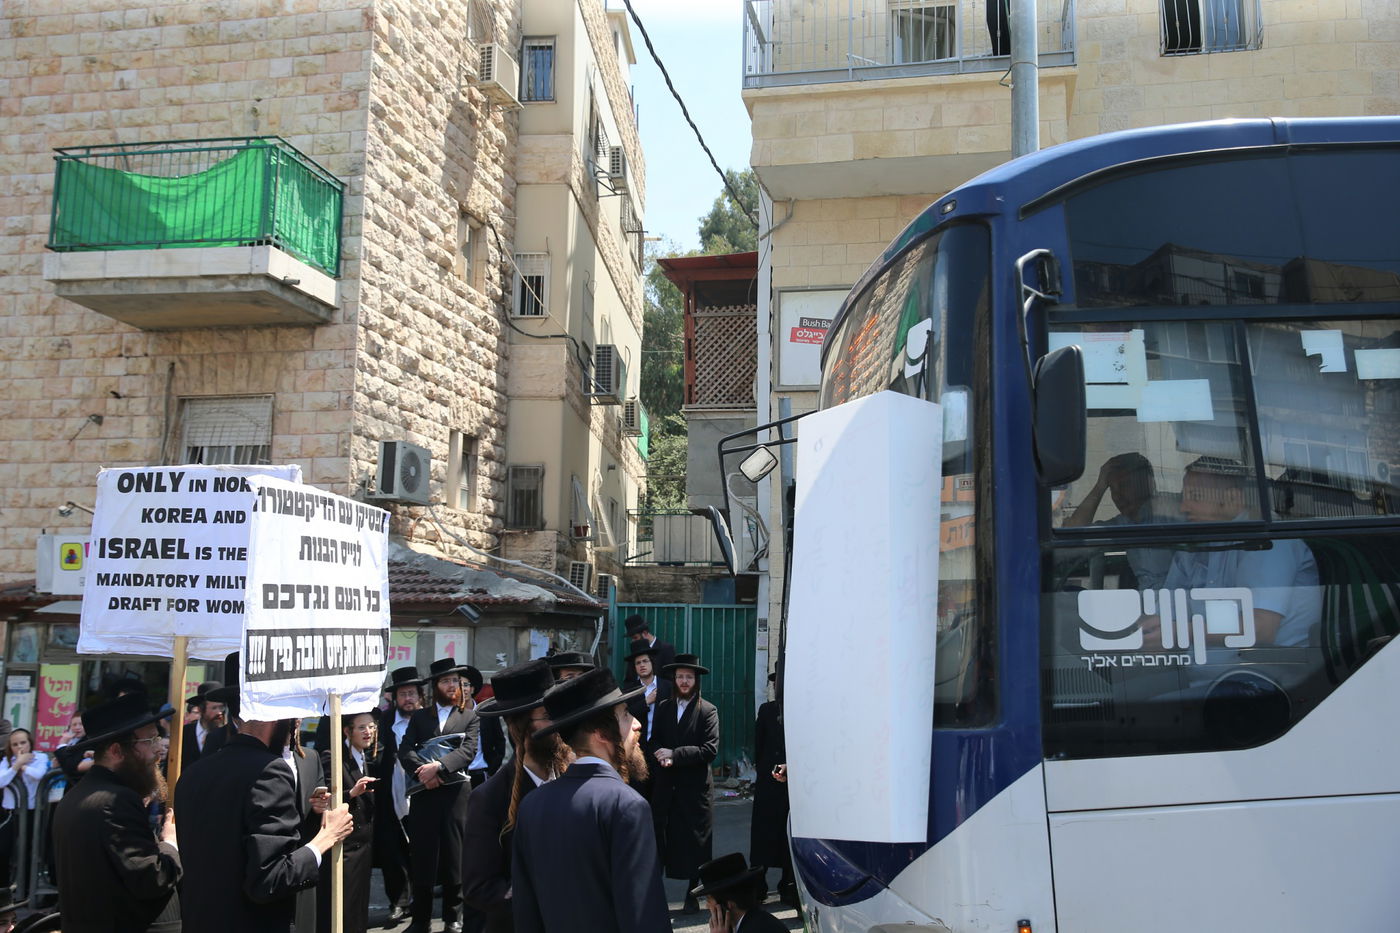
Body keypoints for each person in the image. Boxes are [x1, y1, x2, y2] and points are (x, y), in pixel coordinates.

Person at [175, 653, 353, 933]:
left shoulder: (192, 774)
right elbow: (271, 879)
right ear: (274, 715)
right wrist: (326, 838)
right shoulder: (270, 771)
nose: (294, 724)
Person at [510, 668, 668, 932]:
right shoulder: (626, 805)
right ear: (601, 733)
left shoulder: (532, 805)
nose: (637, 723)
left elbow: (526, 914)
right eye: (625, 715)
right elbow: (644, 915)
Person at [1147, 456, 1323, 648]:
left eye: (1195, 496)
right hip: (1206, 662)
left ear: (1232, 498)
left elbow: (1261, 629)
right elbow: (1165, 613)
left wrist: (1180, 632)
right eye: (1184, 498)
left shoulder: (1267, 541)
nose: (1183, 507)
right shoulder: (1198, 543)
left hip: (1268, 663)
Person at [51, 693, 181, 932]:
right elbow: (153, 879)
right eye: (150, 740)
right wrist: (170, 843)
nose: (158, 750)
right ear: (116, 751)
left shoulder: (80, 794)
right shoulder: (115, 801)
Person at [461, 659, 572, 933]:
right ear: (520, 727)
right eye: (548, 715)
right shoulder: (490, 798)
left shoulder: (574, 779)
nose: (560, 723)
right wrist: (535, 897)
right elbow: (480, 887)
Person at [398, 657, 482, 933]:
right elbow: (405, 749)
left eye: (455, 681)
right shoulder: (420, 716)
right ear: (435, 686)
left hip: (456, 795)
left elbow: (468, 751)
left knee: (454, 854)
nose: (452, 685)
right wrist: (424, 773)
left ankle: (452, 916)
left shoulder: (470, 716)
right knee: (423, 854)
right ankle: (420, 919)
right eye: (446, 681)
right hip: (424, 793)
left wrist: (439, 768)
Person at [650, 653, 720, 912]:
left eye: (689, 677)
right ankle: (654, 892)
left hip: (694, 788)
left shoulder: (708, 710)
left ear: (696, 680)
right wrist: (659, 754)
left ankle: (693, 892)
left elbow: (710, 750)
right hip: (666, 784)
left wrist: (675, 755)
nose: (684, 681)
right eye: (680, 676)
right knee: (661, 838)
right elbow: (654, 739)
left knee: (696, 842)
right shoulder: (664, 706)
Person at [1064, 452, 1175, 589]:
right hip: (1145, 599)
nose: (1118, 496)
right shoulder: (1123, 523)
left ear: (1147, 483)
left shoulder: (1173, 510)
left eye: (1124, 485)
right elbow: (1073, 533)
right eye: (1112, 489)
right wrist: (1100, 486)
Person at [315, 711, 379, 933]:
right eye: (361, 727)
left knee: (359, 907)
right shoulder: (332, 757)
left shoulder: (364, 756)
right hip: (344, 846)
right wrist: (351, 793)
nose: (368, 732)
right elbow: (325, 800)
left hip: (364, 844)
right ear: (347, 731)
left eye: (371, 726)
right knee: (341, 908)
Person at [374, 666, 423, 925]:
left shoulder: (428, 719)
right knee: (393, 850)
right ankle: (398, 901)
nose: (408, 699)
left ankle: (420, 900)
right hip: (390, 792)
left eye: (412, 693)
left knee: (422, 849)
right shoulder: (384, 721)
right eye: (403, 694)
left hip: (423, 790)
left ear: (420, 696)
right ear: (394, 698)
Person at [749, 669, 794, 906]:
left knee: (787, 834)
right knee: (762, 835)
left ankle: (788, 884)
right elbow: (759, 744)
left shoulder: (800, 709)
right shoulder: (766, 710)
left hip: (792, 783)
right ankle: (759, 883)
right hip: (768, 781)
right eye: (776, 682)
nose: (778, 686)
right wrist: (764, 770)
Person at [0, 729, 49, 888]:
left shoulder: (40, 757)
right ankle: (4, 888)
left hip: (32, 812)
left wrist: (24, 767)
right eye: (15, 744)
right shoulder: (7, 761)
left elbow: (39, 774)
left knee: (28, 851)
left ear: (30, 743)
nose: (19, 747)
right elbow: (1, 781)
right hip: (11, 812)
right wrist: (17, 764)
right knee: (3, 849)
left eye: (23, 742)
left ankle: (26, 890)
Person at [691, 853, 786, 933]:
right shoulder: (755, 919)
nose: (707, 906)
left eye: (709, 900)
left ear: (729, 904)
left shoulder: (756, 929)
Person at [622, 642, 669, 798]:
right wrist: (646, 702)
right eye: (638, 663)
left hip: (661, 750)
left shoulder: (667, 687)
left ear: (652, 663)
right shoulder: (629, 690)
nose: (642, 665)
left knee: (660, 796)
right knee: (638, 794)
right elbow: (625, 714)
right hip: (638, 749)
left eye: (645, 661)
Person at [462, 666, 506, 788]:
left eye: (465, 685)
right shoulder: (450, 715)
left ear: (472, 689)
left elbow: (500, 741)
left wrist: (492, 768)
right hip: (458, 775)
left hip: (482, 773)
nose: (463, 689)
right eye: (459, 685)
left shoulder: (486, 713)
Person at [179, 681, 229, 771]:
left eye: (221, 707)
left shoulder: (230, 734)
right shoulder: (184, 733)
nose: (219, 712)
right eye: (214, 708)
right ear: (200, 709)